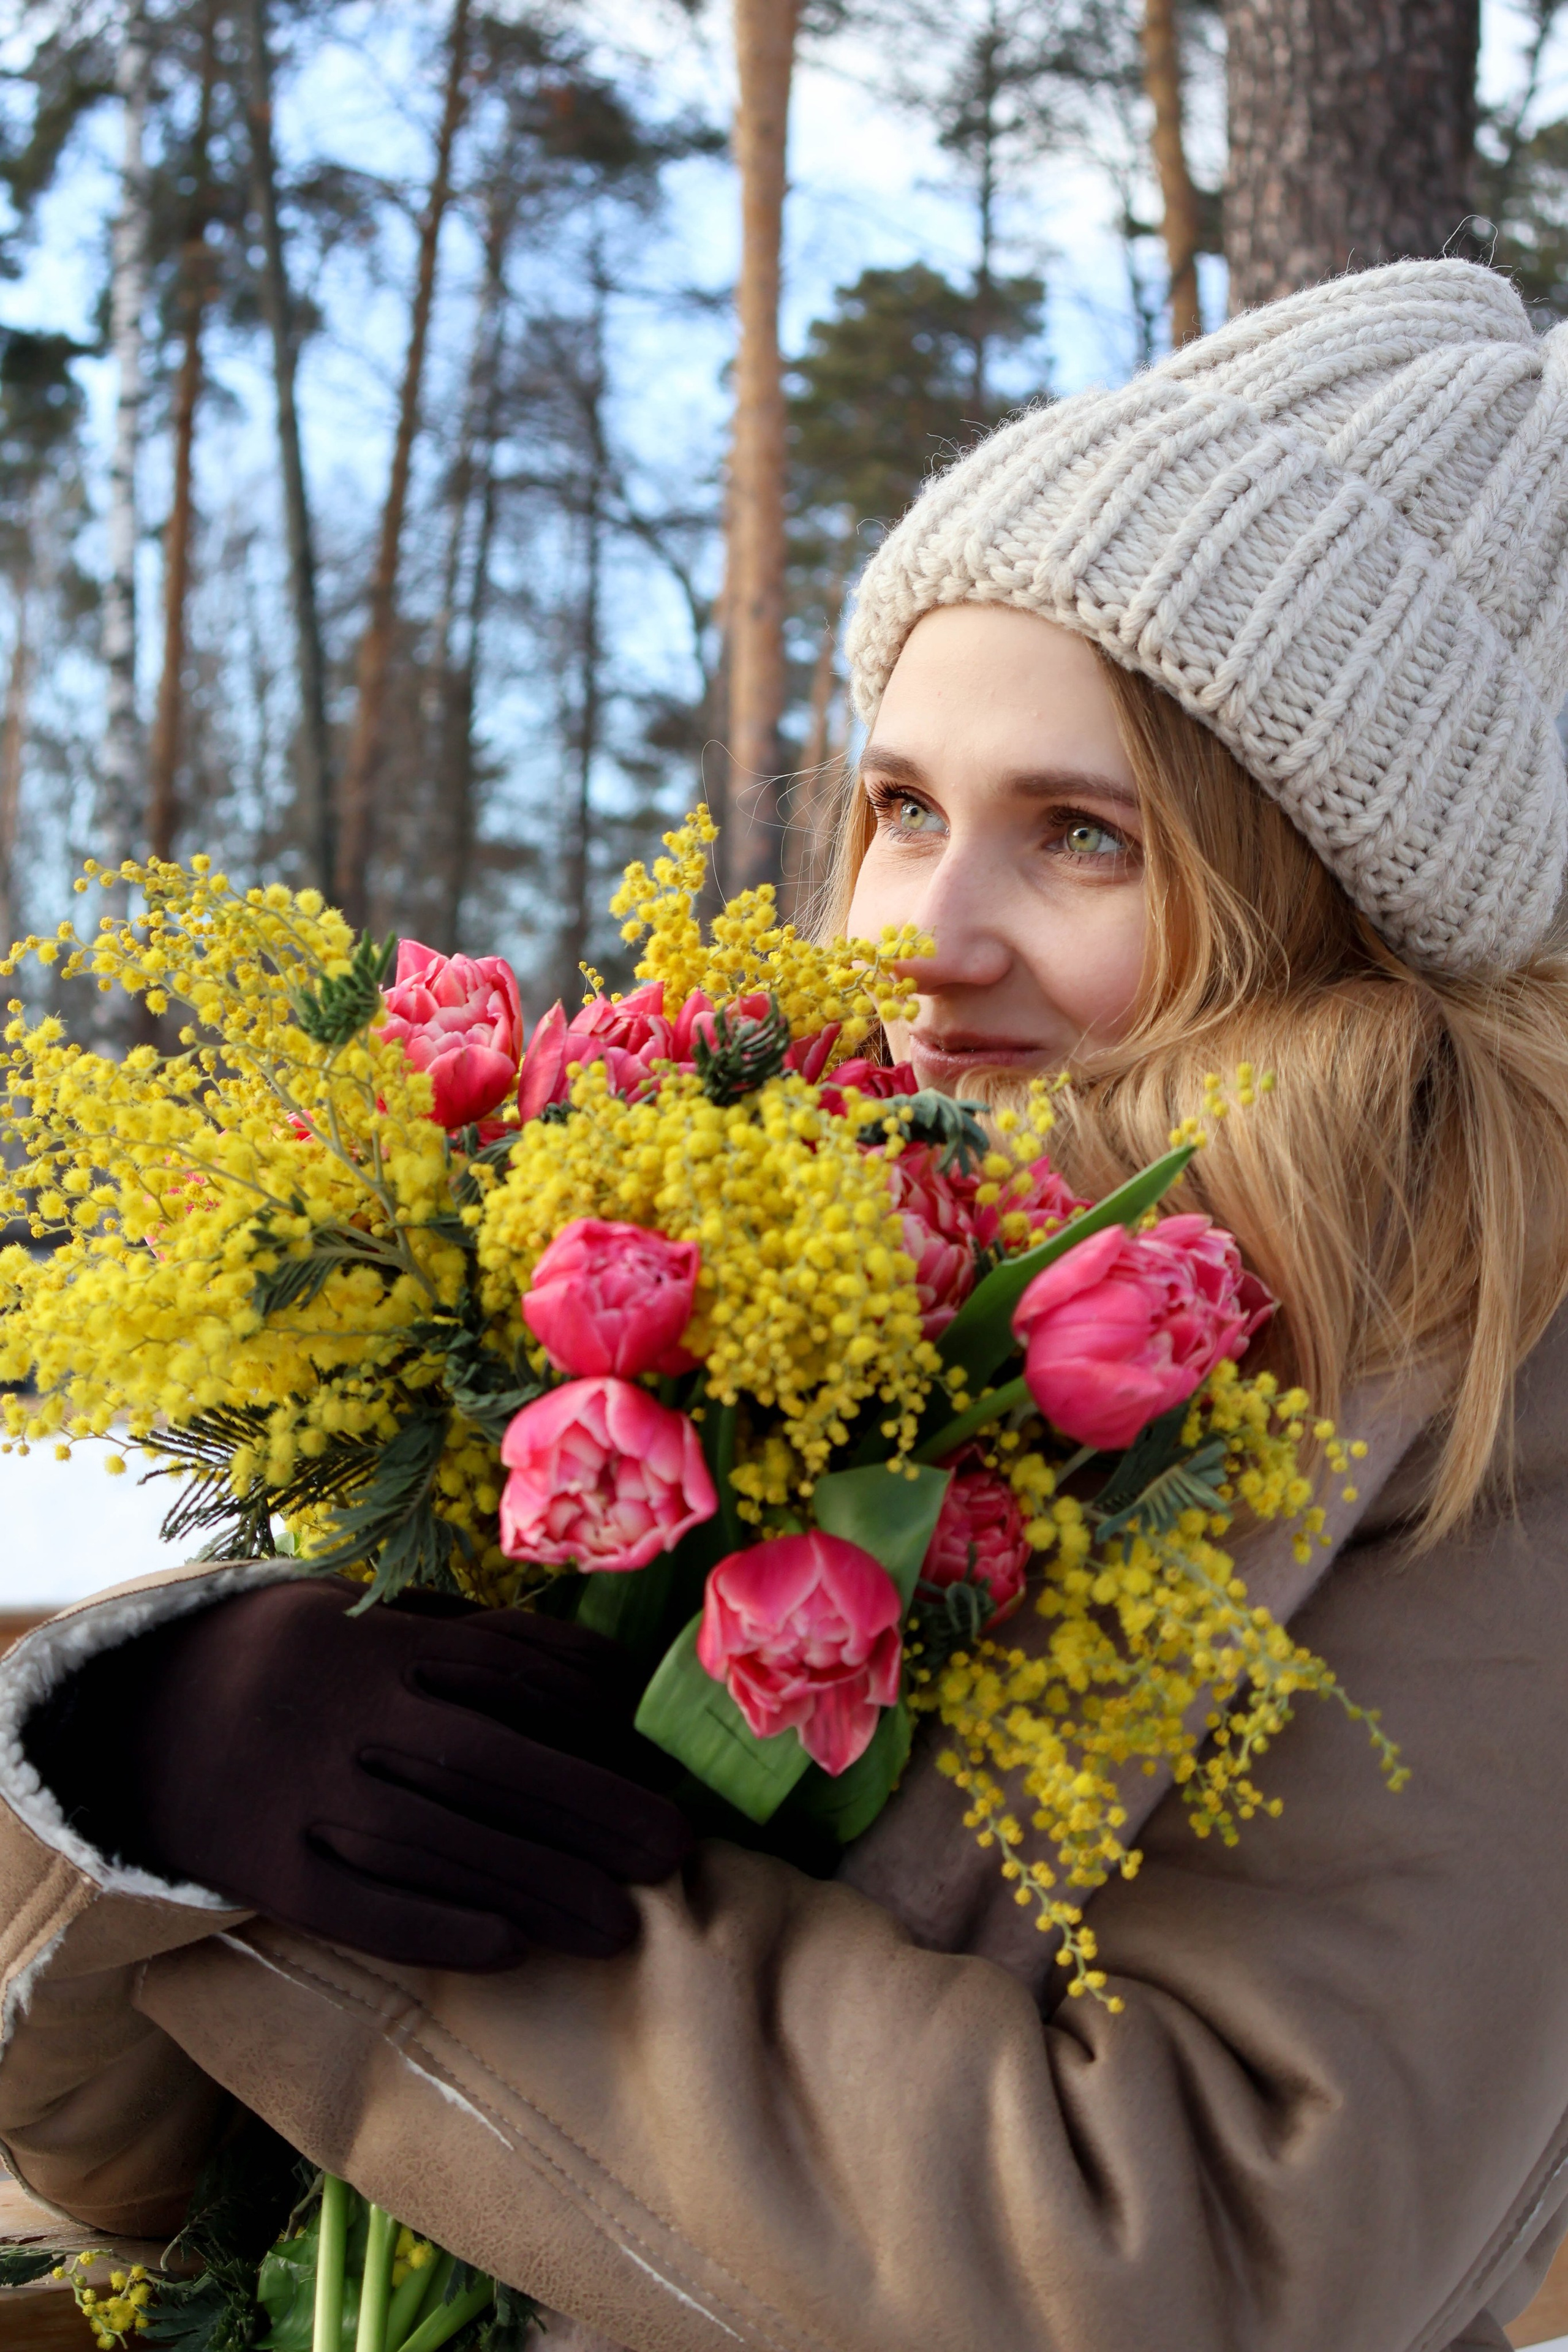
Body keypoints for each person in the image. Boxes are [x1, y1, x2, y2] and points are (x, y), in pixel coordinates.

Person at [2, 255, 1568, 2352]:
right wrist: (139, 1773)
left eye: (1086, 838)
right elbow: (154, 2191)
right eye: (904, 808)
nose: (928, 934)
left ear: (1328, 903)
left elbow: (1191, 2268)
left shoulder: (1472, 1404)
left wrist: (350, 1937)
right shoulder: (684, 1273)